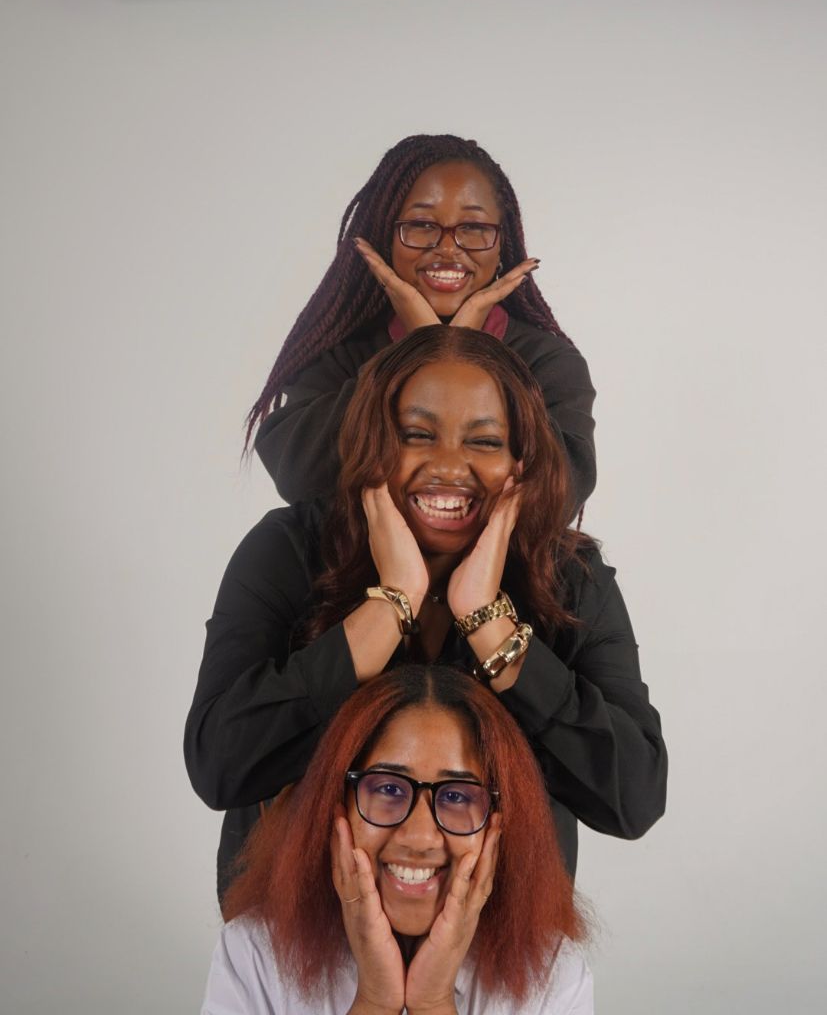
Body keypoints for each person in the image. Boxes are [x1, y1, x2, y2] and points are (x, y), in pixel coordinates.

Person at [185, 327, 667, 899]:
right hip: (303, 935)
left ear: (522, 460)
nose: (449, 467)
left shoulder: (571, 580)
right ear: (371, 442)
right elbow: (221, 766)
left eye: (485, 442)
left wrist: (489, 623)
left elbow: (633, 798)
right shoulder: (287, 552)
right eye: (416, 435)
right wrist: (392, 605)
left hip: (498, 943)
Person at [202, 665, 593, 1015]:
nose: (420, 836)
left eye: (456, 795)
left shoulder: (555, 973)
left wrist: (432, 1004)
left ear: (499, 825)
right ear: (335, 807)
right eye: (388, 788)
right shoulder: (252, 955)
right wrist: (375, 1002)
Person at [247, 133, 596, 516]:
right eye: (421, 225)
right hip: (361, 571)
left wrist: (459, 347)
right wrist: (418, 350)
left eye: (474, 228)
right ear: (386, 238)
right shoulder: (341, 354)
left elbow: (558, 500)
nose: (448, 248)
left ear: (502, 244)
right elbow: (299, 479)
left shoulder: (549, 362)